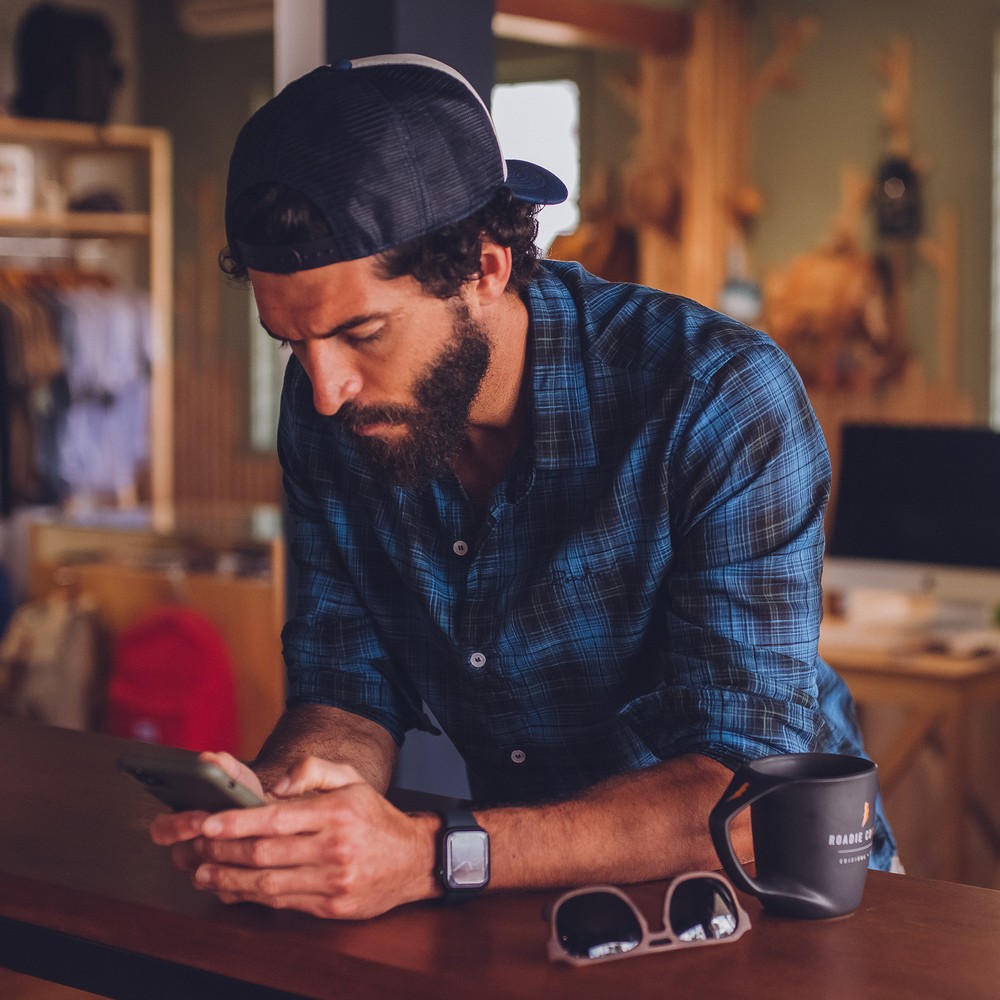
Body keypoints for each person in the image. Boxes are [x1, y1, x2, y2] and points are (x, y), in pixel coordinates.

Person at [151, 54, 897, 920]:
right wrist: (289, 817)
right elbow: (344, 686)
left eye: (362, 332)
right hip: (534, 894)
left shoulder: (718, 398)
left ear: (484, 267)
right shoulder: (337, 411)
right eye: (293, 344)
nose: (325, 389)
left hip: (784, 905)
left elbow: (739, 793)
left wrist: (434, 856)